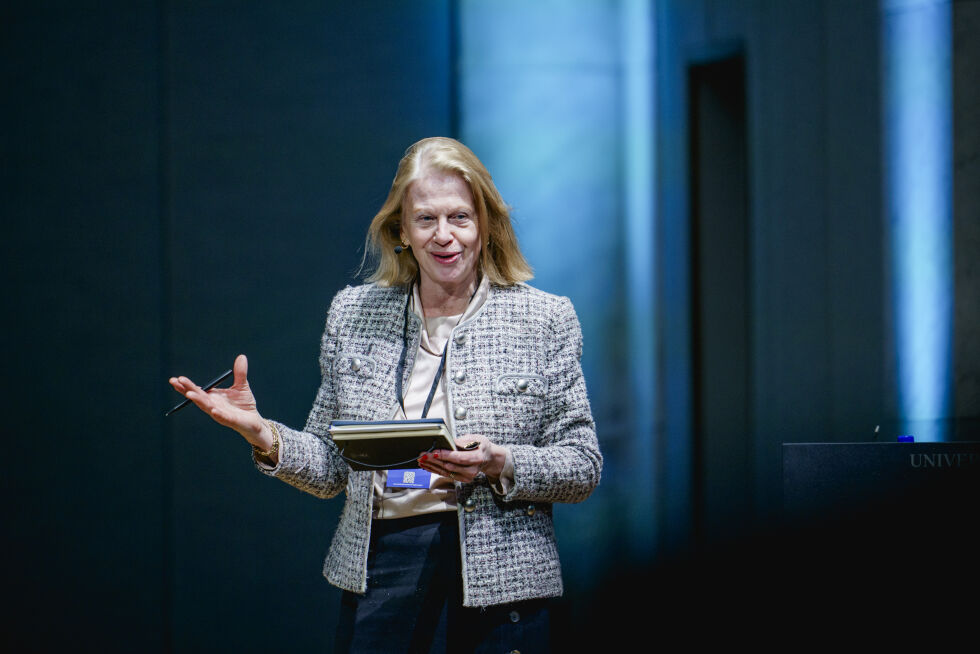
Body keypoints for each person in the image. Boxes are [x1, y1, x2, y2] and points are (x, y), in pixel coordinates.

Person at [168, 136, 601, 653]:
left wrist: (499, 462)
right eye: (426, 220)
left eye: (460, 217)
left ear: (485, 224)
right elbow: (331, 467)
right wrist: (261, 434)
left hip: (501, 581)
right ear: (402, 230)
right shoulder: (354, 313)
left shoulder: (543, 319)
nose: (445, 236)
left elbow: (581, 466)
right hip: (382, 574)